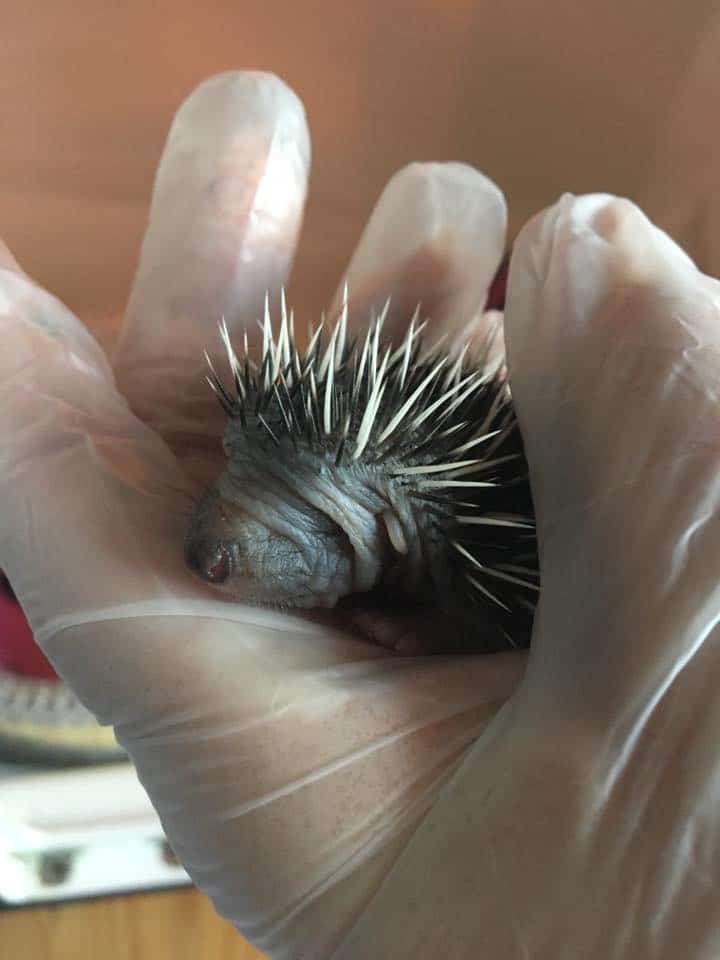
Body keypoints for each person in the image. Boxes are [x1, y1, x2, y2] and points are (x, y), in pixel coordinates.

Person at [1, 72, 718, 959]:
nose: (212, 554)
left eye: (323, 531)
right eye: (234, 469)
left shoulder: (504, 554)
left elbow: (518, 617)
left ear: (393, 534)